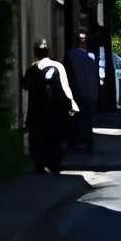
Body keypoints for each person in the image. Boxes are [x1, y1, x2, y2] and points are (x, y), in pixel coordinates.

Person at [23, 42, 79, 171]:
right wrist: (71, 105)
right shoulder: (57, 66)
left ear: (35, 53)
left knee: (37, 138)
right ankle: (55, 163)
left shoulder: (32, 69)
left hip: (37, 110)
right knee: (55, 138)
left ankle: (40, 164)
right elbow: (66, 88)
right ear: (48, 52)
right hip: (55, 109)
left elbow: (26, 86)